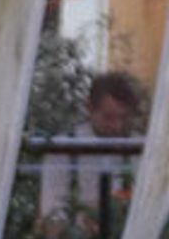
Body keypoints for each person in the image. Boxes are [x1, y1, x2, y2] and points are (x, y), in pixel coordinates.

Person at [39, 70, 141, 229]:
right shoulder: (64, 148)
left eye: (123, 118)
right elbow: (51, 213)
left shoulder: (139, 148)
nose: (117, 126)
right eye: (108, 117)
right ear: (90, 108)